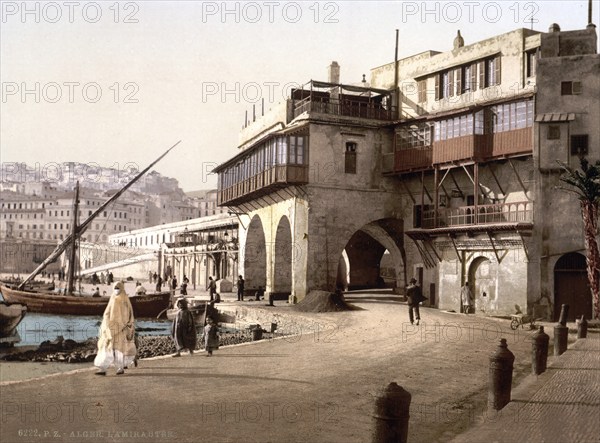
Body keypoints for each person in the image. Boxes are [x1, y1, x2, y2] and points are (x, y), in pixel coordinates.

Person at [94, 281, 136, 375]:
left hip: (120, 329)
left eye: (118, 288)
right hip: (110, 328)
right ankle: (103, 368)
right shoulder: (113, 298)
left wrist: (122, 325)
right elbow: (107, 312)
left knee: (118, 350)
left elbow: (127, 315)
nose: (116, 290)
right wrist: (106, 322)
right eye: (115, 288)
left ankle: (120, 368)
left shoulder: (124, 300)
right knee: (106, 348)